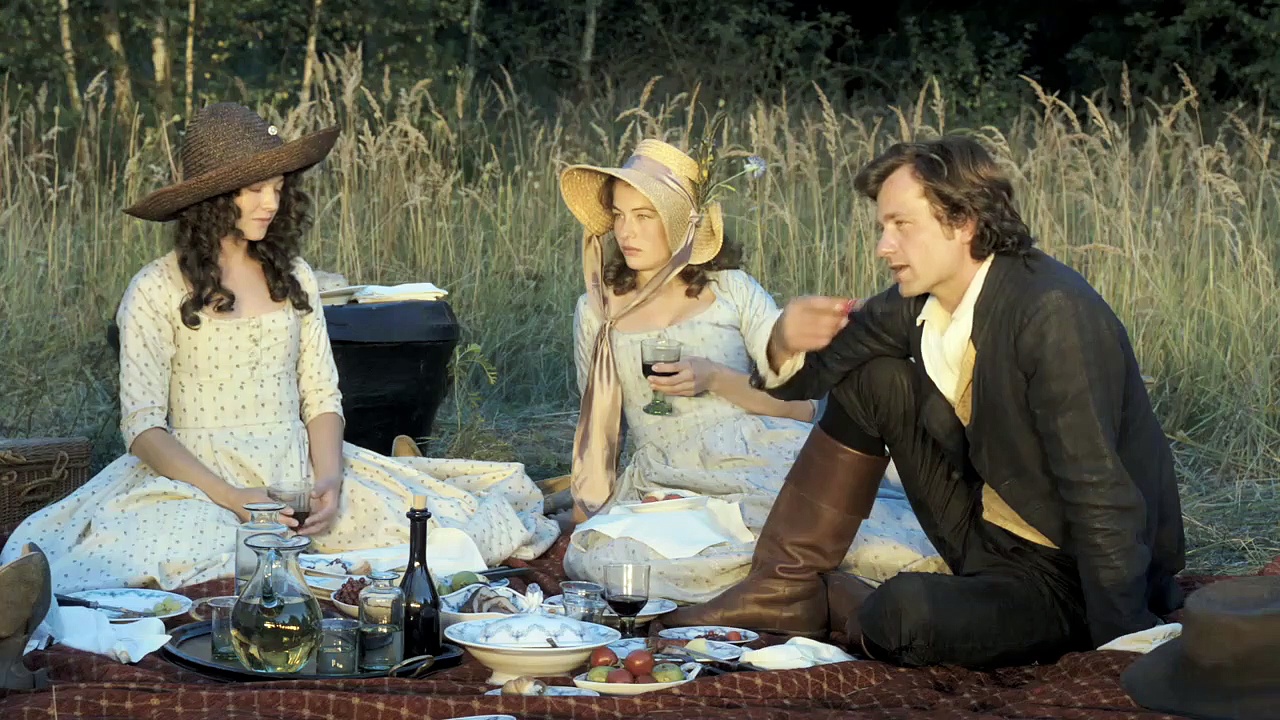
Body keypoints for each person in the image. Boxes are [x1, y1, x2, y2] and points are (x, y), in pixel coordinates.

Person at [666, 135, 1187, 669]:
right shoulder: (917, 303)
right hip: (986, 533)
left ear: (963, 221)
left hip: (1072, 573)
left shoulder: (1052, 313)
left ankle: (855, 608)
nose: (883, 246)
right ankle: (785, 587)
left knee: (906, 610)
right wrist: (783, 340)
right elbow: (815, 376)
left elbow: (1100, 490)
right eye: (882, 227)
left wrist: (1119, 642)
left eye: (901, 225)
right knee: (875, 379)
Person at [0, 103, 559, 593]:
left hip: (298, 469)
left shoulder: (294, 276)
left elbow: (321, 396)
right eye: (254, 189)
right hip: (197, 479)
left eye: (277, 185)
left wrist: (329, 483)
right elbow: (143, 426)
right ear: (213, 198)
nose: (271, 201)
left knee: (441, 530)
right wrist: (231, 496)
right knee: (194, 552)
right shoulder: (156, 287)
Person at [556, 138, 943, 607]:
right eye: (619, 215)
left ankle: (819, 590)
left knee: (848, 537)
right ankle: (803, 593)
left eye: (644, 216)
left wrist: (715, 378)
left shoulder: (732, 290)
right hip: (666, 474)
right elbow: (597, 428)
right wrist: (588, 508)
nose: (626, 231)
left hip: (758, 453)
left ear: (682, 224)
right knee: (609, 561)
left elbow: (803, 406)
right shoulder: (597, 310)